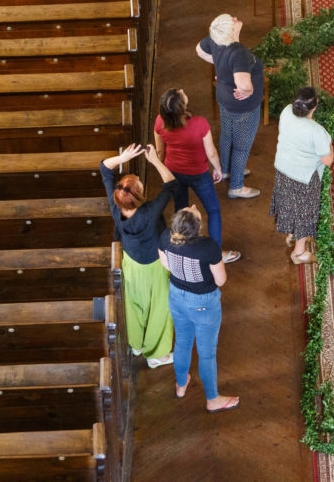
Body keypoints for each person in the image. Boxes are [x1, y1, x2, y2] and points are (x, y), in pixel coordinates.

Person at [101, 143, 179, 368]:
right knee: (160, 308)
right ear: (137, 196)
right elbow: (171, 184)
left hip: (131, 262)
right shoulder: (149, 212)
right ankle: (156, 354)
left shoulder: (116, 206)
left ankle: (136, 344)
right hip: (154, 265)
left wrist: (122, 157)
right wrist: (155, 160)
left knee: (134, 304)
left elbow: (104, 169)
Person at [157, 205, 240, 413]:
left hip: (176, 296)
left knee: (182, 342)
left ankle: (181, 385)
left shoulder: (166, 237)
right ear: (197, 227)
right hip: (203, 303)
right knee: (207, 354)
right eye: (193, 210)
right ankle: (212, 398)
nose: (193, 206)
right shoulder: (208, 247)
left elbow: (166, 265)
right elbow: (221, 280)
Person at [153, 87, 240, 264]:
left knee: (181, 210)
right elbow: (212, 153)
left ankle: (182, 249)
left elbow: (160, 151)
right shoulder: (200, 123)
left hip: (174, 172)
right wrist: (218, 170)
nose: (183, 90)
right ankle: (216, 254)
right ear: (182, 106)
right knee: (213, 211)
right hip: (198, 173)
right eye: (180, 92)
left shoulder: (159, 121)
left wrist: (166, 174)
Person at [195, 13, 264, 199]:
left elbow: (199, 50)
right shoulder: (239, 53)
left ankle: (225, 170)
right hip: (244, 107)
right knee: (242, 146)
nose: (235, 18)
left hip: (224, 98)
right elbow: (243, 85)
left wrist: (222, 66)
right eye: (232, 20)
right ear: (230, 30)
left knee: (227, 135)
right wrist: (249, 91)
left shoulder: (216, 39)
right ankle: (236, 186)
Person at [270, 87, 334, 265]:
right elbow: (328, 160)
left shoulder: (285, 112)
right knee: (304, 214)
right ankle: (299, 253)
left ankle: (291, 234)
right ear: (314, 107)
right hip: (304, 177)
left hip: (283, 169)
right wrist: (330, 145)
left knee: (289, 204)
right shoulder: (316, 130)